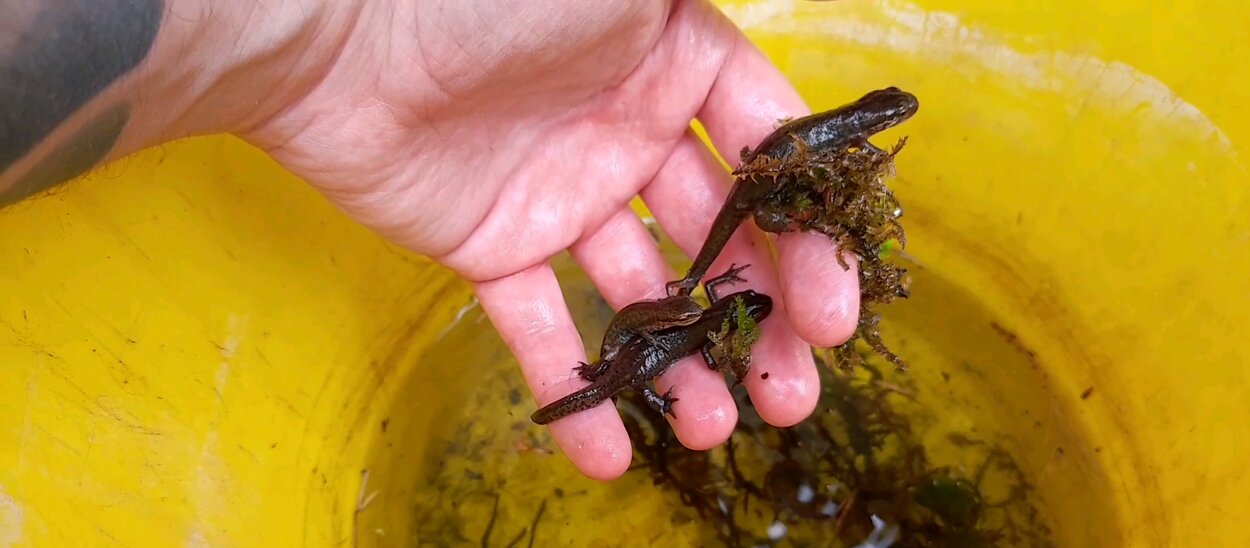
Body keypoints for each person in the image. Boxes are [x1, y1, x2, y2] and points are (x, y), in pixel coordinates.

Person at [1, 0, 865, 480]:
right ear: (732, 311)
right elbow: (682, 320)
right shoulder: (704, 320)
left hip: (639, 345)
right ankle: (597, 392)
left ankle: (596, 392)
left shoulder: (706, 317)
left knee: (640, 376)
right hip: (639, 345)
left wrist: (331, 34)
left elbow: (684, 319)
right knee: (642, 378)